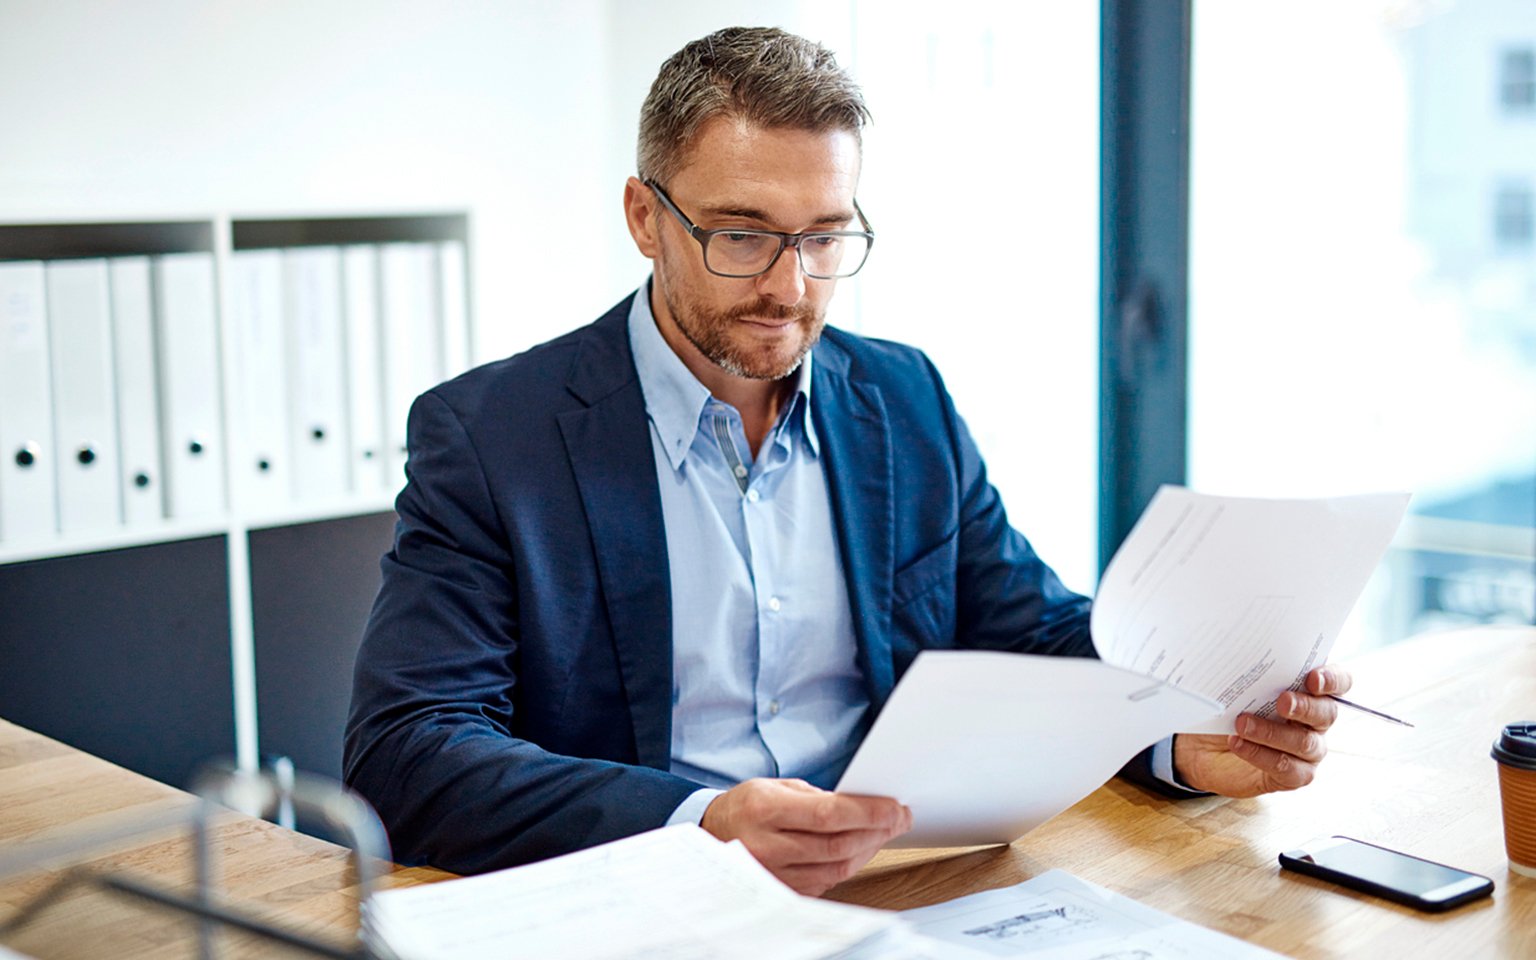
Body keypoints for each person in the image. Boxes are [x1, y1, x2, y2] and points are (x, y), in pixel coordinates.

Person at [344, 25, 1352, 897]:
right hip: (653, 904)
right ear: (646, 219)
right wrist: (699, 820)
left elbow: (1029, 636)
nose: (790, 287)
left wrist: (1181, 736)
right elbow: (409, 753)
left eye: (825, 238)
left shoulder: (902, 398)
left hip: (896, 884)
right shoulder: (491, 437)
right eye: (742, 235)